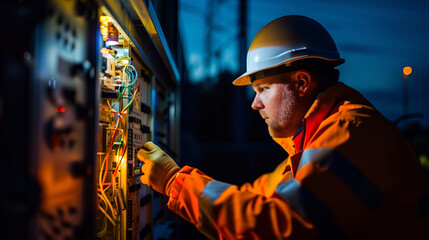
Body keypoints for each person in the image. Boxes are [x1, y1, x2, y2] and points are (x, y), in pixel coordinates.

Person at [137, 15, 429, 239]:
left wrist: (176, 182)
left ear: (301, 83)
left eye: (263, 89)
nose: (254, 104)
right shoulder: (315, 141)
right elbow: (255, 197)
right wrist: (177, 182)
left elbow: (282, 226)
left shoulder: (353, 134)